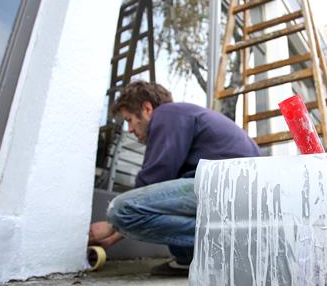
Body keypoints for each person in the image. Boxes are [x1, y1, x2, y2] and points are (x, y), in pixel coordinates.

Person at [88, 81, 261, 275]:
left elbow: (153, 180)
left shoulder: (167, 114)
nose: (129, 129)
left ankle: (238, 241)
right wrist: (117, 233)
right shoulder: (182, 116)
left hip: (232, 188)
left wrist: (113, 222)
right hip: (242, 193)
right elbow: (160, 195)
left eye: (129, 119)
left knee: (120, 209)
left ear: (147, 108)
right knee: (160, 214)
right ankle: (188, 260)